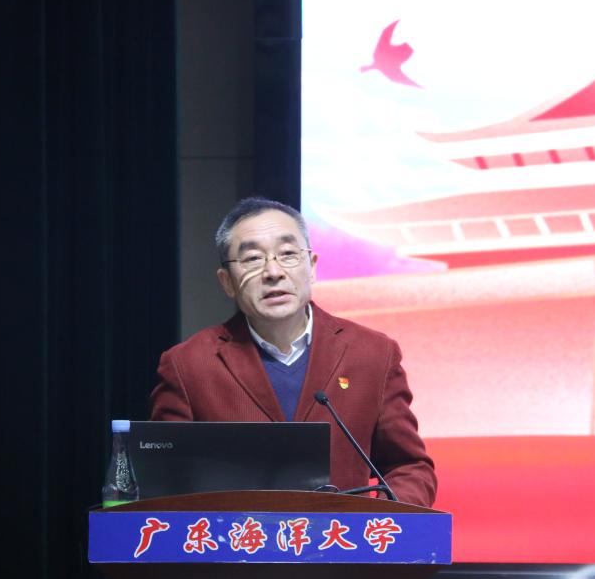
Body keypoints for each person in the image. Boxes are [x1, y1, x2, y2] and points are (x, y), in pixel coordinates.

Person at [150, 197, 436, 507]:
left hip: (341, 537)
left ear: (311, 266)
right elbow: (166, 481)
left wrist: (381, 519)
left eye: (288, 254)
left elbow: (409, 467)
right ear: (227, 282)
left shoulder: (372, 355)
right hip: (238, 536)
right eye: (252, 259)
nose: (273, 271)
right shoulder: (189, 365)